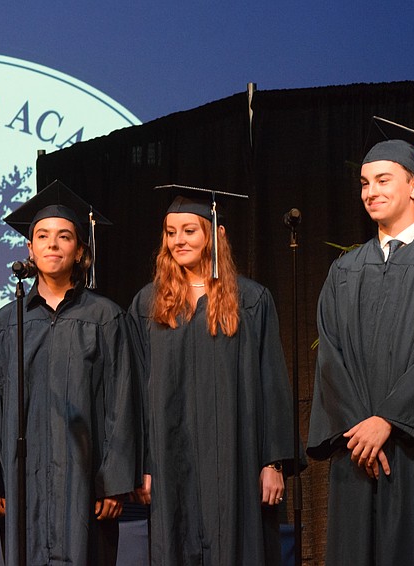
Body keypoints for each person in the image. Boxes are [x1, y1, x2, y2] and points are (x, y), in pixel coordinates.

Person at [307, 122, 414, 565]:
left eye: (383, 180)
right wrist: (360, 428)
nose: (370, 192)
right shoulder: (344, 272)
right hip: (357, 453)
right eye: (365, 183)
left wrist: (387, 420)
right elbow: (331, 357)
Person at [128, 185, 296, 565]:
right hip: (172, 461)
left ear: (214, 234)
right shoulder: (149, 304)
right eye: (171, 232)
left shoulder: (250, 300)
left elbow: (272, 384)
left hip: (236, 460)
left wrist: (272, 463)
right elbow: (136, 388)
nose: (178, 241)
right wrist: (145, 465)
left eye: (189, 230)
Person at [0, 180, 138, 565]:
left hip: (87, 486)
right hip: (21, 486)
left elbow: (122, 401)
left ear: (80, 249)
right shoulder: (6, 321)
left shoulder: (106, 317)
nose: (52, 244)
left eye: (64, 236)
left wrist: (113, 484)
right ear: (29, 248)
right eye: (43, 236)